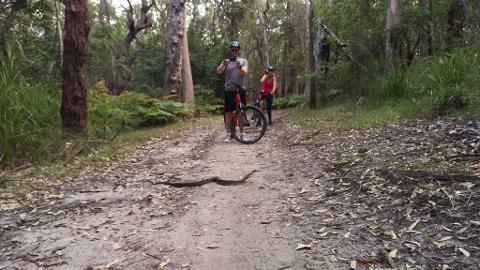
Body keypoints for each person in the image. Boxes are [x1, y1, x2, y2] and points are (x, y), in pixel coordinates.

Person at [216, 40, 249, 143]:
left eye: (236, 49)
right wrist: (224, 65)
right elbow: (218, 71)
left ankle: (242, 134)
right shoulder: (226, 61)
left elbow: (244, 73)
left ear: (239, 50)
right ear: (230, 50)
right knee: (228, 113)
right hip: (229, 90)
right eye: (233, 49)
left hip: (240, 89)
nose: (234, 51)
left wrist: (239, 66)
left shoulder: (243, 61)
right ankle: (228, 134)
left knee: (240, 112)